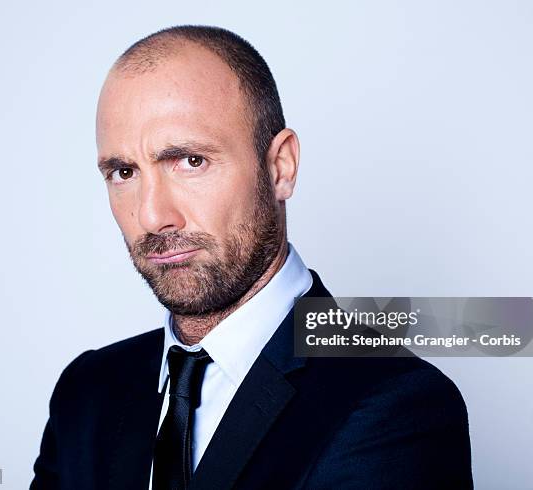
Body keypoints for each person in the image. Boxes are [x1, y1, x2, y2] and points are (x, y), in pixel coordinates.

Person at [30, 25, 473, 489]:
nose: (153, 215)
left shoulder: (395, 404)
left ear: (281, 167)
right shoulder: (86, 393)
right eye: (124, 172)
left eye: (190, 161)